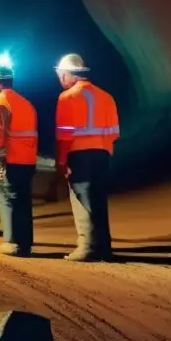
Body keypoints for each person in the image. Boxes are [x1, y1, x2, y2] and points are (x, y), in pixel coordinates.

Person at [54, 53, 120, 261]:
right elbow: (114, 132)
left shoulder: (67, 98)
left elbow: (64, 135)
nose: (60, 79)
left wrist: (62, 160)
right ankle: (103, 247)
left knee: (82, 200)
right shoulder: (106, 96)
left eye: (60, 75)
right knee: (99, 200)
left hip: (79, 155)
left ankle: (87, 247)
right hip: (102, 154)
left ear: (67, 75)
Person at [0, 65, 38, 256]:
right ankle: (25, 243)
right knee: (23, 201)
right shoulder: (25, 103)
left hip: (9, 160)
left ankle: (12, 241)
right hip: (28, 160)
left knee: (6, 198)